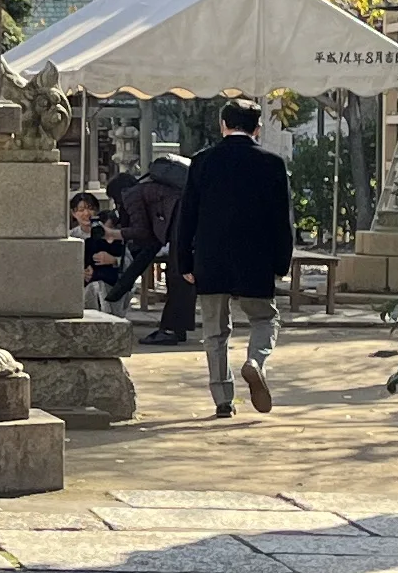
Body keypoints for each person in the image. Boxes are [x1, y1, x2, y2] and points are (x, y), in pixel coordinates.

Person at [166, 96, 296, 419]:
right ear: (257, 128)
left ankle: (223, 399)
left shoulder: (202, 162)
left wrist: (185, 261)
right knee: (265, 319)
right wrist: (282, 262)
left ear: (223, 125)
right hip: (256, 260)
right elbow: (282, 221)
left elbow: (187, 217)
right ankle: (255, 361)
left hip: (211, 259)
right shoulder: (273, 163)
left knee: (214, 331)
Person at [126, 149, 196, 342]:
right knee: (182, 276)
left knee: (178, 276)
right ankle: (178, 328)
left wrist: (116, 233)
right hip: (187, 220)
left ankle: (170, 330)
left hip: (180, 223)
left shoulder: (131, 195)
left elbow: (140, 230)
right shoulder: (154, 188)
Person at [76, 191, 135, 315]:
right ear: (73, 213)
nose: (86, 214)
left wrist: (114, 260)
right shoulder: (72, 236)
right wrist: (78, 273)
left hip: (112, 285)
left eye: (90, 209)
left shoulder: (115, 234)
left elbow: (131, 265)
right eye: (81, 210)